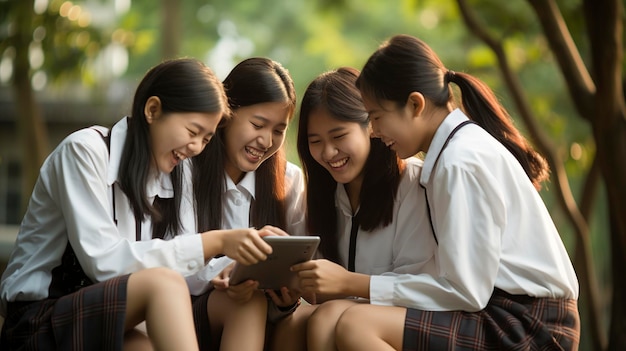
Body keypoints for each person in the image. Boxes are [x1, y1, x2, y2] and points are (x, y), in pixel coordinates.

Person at [0, 58, 284, 350]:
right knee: (163, 284)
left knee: (151, 339)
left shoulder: (177, 172)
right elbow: (104, 263)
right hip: (40, 318)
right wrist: (218, 241)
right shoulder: (85, 152)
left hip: (117, 316)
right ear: (153, 110)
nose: (197, 147)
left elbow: (187, 268)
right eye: (192, 131)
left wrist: (239, 268)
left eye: (206, 138)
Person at [331, 34, 580, 351]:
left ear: (415, 104)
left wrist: (352, 283)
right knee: (346, 317)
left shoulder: (459, 162)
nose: (375, 133)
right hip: (508, 311)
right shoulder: (454, 151)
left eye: (377, 117)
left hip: (529, 323)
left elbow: (467, 291)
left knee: (357, 325)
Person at [270, 67, 437, 351]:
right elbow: (316, 290)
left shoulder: (412, 184)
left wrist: (346, 285)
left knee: (329, 315)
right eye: (316, 141)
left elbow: (420, 285)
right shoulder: (323, 196)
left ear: (371, 126)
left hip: (412, 321)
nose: (328, 153)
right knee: (295, 320)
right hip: (345, 318)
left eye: (339, 136)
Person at [183, 57, 305, 350]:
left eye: (278, 130)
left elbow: (304, 256)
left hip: (267, 312)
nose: (265, 140)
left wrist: (291, 291)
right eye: (258, 124)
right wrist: (228, 270)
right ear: (227, 113)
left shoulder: (288, 180)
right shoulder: (185, 170)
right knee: (247, 301)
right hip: (187, 314)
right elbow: (173, 261)